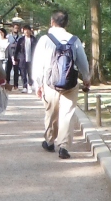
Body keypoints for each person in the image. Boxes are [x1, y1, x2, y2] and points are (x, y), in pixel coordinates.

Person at [32, 10, 90, 159]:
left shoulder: (45, 40)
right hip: (70, 83)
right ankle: (64, 146)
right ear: (66, 23)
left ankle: (50, 141)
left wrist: (38, 84)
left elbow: (37, 64)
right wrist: (86, 78)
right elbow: (83, 62)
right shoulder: (74, 40)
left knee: (51, 113)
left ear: (52, 22)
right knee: (67, 114)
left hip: (50, 83)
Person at [6, 25, 24, 90]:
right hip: (9, 55)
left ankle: (16, 85)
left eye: (17, 28)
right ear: (13, 29)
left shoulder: (20, 37)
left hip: (17, 55)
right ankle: (7, 84)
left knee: (16, 71)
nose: (16, 29)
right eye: (15, 28)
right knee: (7, 70)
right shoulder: (8, 37)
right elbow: (7, 45)